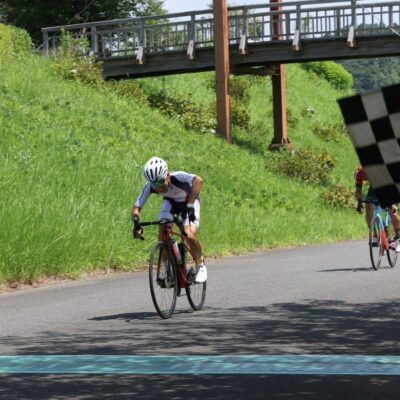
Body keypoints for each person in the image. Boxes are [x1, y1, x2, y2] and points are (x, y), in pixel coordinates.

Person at [132, 156, 207, 283]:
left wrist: (190, 204)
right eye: (154, 184)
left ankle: (200, 265)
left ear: (167, 175)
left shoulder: (178, 177)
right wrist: (136, 224)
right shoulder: (150, 186)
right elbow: (136, 209)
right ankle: (168, 270)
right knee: (162, 230)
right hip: (171, 203)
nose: (158, 187)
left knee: (189, 234)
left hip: (189, 201)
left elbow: (198, 180)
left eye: (160, 182)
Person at [354, 165, 400, 252]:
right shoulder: (359, 173)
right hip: (375, 186)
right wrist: (359, 202)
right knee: (368, 206)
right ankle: (374, 235)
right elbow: (358, 191)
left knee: (392, 210)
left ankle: (398, 235)